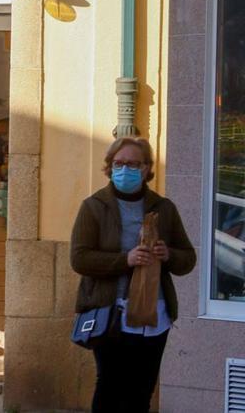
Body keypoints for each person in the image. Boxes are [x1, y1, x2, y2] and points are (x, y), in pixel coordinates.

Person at [69, 137, 197, 412]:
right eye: (119, 163)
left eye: (133, 164)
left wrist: (168, 255)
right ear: (110, 167)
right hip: (111, 312)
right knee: (110, 386)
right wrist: (125, 259)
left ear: (147, 168)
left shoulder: (163, 208)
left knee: (142, 390)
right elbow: (79, 259)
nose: (125, 169)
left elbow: (188, 259)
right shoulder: (93, 206)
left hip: (154, 314)